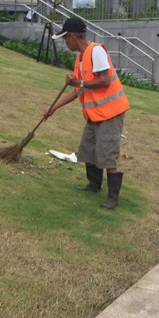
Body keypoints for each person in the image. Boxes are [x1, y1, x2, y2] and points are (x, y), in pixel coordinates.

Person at [44, 17, 130, 209]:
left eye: (66, 40)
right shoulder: (80, 59)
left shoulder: (96, 51)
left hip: (110, 113)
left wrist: (79, 83)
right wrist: (53, 108)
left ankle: (112, 198)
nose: (66, 44)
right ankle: (93, 185)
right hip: (94, 114)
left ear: (74, 37)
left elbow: (104, 81)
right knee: (88, 148)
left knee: (107, 153)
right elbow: (77, 91)